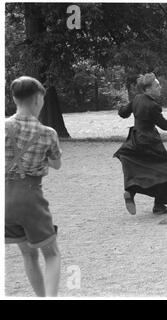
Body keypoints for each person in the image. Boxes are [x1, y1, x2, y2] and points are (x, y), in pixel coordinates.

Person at [5, 76, 62, 296]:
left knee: (28, 254)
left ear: (13, 97)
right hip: (30, 199)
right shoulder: (47, 133)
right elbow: (57, 164)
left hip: (5, 200)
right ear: (38, 99)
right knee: (52, 254)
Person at [114, 73, 167, 215]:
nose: (160, 87)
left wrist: (120, 108)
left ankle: (130, 191)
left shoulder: (137, 99)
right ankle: (159, 206)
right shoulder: (153, 105)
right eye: (157, 85)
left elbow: (123, 113)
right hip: (150, 142)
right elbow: (165, 125)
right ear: (147, 89)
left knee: (141, 169)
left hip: (135, 140)